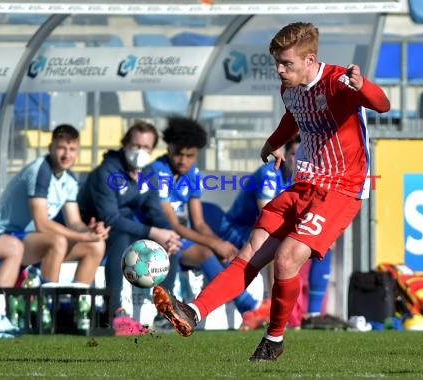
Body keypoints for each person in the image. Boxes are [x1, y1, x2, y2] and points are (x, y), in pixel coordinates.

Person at [151, 22, 390, 361]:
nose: (279, 70)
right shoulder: (289, 88)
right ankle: (192, 312)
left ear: (310, 59)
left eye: (286, 64)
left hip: (341, 188)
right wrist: (274, 142)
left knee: (287, 257)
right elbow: (295, 117)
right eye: (277, 62)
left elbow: (382, 105)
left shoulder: (338, 83)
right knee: (249, 253)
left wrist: (363, 85)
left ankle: (274, 338)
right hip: (304, 184)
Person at [150, 117, 259, 325]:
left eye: (189, 156)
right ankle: (248, 308)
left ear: (197, 154)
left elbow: (198, 222)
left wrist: (221, 244)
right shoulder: (158, 171)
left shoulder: (192, 173)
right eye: (178, 154)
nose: (183, 160)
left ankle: (250, 311)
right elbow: (172, 225)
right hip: (157, 239)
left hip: (179, 239)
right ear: (169, 147)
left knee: (220, 251)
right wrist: (214, 244)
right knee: (207, 251)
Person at [78, 120, 182, 322]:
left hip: (125, 225)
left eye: (146, 147)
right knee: (122, 235)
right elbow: (111, 218)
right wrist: (153, 232)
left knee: (169, 245)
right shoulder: (107, 172)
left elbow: (154, 211)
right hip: (93, 229)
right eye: (136, 146)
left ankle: (165, 311)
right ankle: (114, 310)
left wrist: (170, 233)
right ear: (125, 144)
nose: (140, 151)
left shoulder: (148, 172)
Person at [0, 124, 109, 287]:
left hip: (33, 241)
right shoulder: (40, 171)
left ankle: (80, 307)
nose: (67, 155)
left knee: (96, 246)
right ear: (51, 148)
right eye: (62, 148)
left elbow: (74, 222)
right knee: (57, 241)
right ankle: (47, 306)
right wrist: (81, 236)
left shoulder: (70, 179)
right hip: (5, 236)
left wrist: (91, 232)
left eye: (72, 149)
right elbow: (42, 224)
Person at [219, 135, 299, 331]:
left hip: (256, 230)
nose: (297, 160)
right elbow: (267, 213)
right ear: (285, 154)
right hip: (235, 228)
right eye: (294, 154)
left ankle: (311, 313)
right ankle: (270, 305)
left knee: (319, 245)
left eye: (302, 155)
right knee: (276, 242)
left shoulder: (300, 179)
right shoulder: (270, 173)